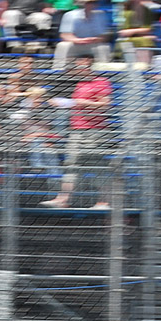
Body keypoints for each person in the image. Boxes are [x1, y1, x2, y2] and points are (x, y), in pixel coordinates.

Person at [41, 55, 113, 209]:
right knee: (71, 164)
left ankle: (104, 202)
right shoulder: (78, 83)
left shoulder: (101, 82)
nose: (77, 67)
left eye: (81, 64)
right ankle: (63, 199)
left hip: (95, 130)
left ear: (89, 64)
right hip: (77, 129)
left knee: (96, 165)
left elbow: (105, 105)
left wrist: (81, 102)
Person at [53, 0, 111, 69]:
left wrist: (95, 39)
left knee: (103, 47)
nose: (92, 4)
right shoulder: (69, 15)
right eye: (89, 2)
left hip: (93, 44)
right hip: (76, 44)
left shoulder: (100, 15)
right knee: (63, 46)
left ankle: (104, 72)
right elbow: (65, 35)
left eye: (94, 2)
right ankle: (58, 71)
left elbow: (104, 36)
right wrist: (79, 40)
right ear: (82, 3)